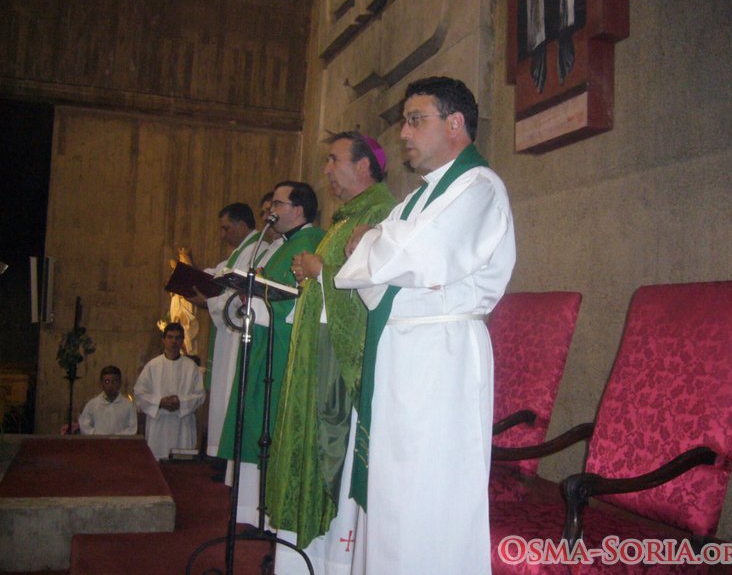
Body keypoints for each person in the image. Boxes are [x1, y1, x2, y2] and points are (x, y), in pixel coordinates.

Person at [334, 76, 516, 574]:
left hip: (441, 357)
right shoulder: (419, 198)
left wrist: (374, 242)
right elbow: (377, 266)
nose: (404, 134)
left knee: (429, 491)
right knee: (393, 489)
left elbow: (414, 254)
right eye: (404, 122)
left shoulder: (478, 187)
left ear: (455, 123)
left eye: (416, 120)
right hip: (403, 352)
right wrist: (377, 245)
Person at [266, 132, 396, 574]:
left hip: (337, 359)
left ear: (363, 166)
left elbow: (376, 285)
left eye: (333, 160)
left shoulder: (379, 212)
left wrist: (320, 268)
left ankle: (326, 561)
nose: (326, 170)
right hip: (316, 350)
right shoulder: (346, 219)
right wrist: (312, 272)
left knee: (328, 451)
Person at [217, 181, 324, 525]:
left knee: (267, 423)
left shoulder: (308, 243)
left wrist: (258, 298)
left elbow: (299, 299)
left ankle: (264, 512)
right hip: (265, 344)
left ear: (299, 210)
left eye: (278, 204)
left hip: (281, 351)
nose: (271, 212)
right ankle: (252, 511)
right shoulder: (285, 244)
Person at [187, 203, 266, 458]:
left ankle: (227, 457)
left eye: (225, 228)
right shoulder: (240, 252)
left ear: (241, 225)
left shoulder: (256, 250)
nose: (222, 235)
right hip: (228, 335)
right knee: (223, 394)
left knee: (231, 392)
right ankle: (223, 456)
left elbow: (237, 293)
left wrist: (207, 302)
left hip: (238, 334)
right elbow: (219, 274)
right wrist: (194, 277)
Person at [134, 323, 207, 460]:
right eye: (170, 337)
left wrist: (180, 402)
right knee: (157, 464)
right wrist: (159, 402)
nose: (174, 341)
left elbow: (200, 395)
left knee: (181, 465)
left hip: (182, 425)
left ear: (182, 340)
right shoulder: (152, 366)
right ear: (164, 340)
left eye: (178, 338)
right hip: (158, 425)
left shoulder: (191, 367)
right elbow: (139, 394)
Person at [78, 365, 137, 435]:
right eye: (107, 381)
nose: (110, 385)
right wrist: (99, 436)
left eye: (114, 381)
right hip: (97, 440)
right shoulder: (92, 405)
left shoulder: (128, 405)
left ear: (120, 383)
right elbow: (85, 426)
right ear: (101, 384)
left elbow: (132, 428)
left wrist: (116, 437)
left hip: (121, 441)